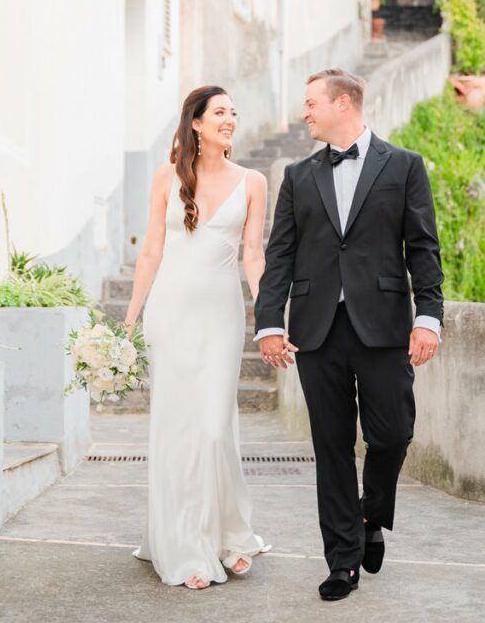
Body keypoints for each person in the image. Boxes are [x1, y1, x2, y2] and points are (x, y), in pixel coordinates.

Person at [255, 68, 443, 601]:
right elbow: (280, 255)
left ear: (344, 103)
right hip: (316, 331)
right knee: (331, 446)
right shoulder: (297, 175)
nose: (305, 112)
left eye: (312, 102)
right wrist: (270, 323)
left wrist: (428, 316)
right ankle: (342, 561)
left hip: (384, 327)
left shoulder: (404, 166)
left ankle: (371, 514)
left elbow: (423, 248)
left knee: (392, 433)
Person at [125, 85, 271, 589]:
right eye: (220, 112)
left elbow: (254, 254)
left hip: (221, 317)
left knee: (213, 428)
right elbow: (151, 251)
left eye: (234, 111)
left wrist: (269, 314)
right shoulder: (167, 177)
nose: (230, 119)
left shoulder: (253, 181)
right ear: (196, 123)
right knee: (177, 428)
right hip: (168, 314)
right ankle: (186, 546)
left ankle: (229, 534)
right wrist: (129, 320)